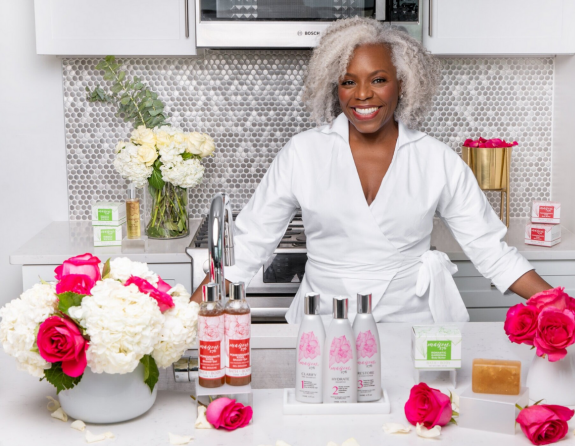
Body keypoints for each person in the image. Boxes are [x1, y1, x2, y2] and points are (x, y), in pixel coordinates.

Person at [191, 17, 552, 323]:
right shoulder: (303, 152)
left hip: (412, 322)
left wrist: (564, 308)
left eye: (378, 79)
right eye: (349, 82)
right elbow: (250, 245)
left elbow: (491, 251)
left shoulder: (436, 159)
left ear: (403, 83)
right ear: (336, 88)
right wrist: (181, 321)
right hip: (324, 324)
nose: (362, 94)